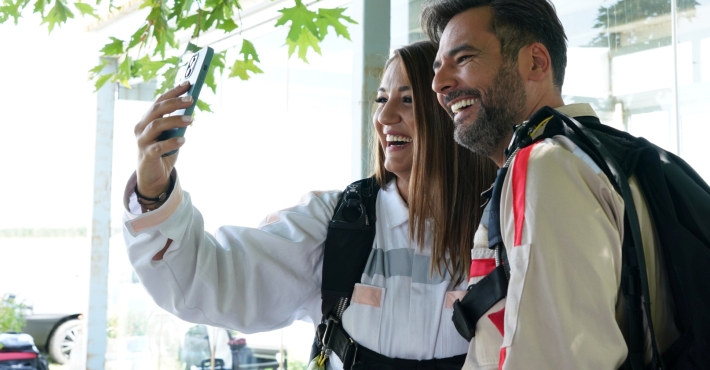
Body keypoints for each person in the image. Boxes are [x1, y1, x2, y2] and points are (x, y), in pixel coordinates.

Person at [123, 40, 496, 369]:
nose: (384, 117)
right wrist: (154, 193)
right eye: (382, 98)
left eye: (408, 99)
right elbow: (208, 280)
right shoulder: (338, 222)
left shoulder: (503, 224)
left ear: (454, 112)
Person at [424, 0, 680, 369]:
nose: (439, 84)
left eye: (462, 59)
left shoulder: (546, 165)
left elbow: (556, 358)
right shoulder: (593, 157)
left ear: (536, 62)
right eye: (437, 67)